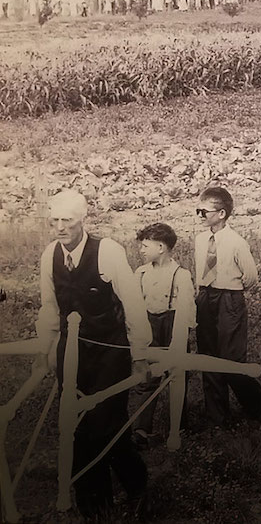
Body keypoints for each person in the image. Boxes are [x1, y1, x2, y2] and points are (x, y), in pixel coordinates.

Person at [37, 190, 150, 519]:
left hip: (109, 351)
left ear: (82, 220)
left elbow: (132, 302)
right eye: (54, 221)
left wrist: (140, 352)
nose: (60, 227)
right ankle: (94, 504)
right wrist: (47, 350)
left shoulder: (108, 252)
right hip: (71, 352)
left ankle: (138, 487)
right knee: (76, 423)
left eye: (67, 221)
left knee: (105, 424)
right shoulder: (49, 256)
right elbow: (49, 307)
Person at [193, 186, 261, 427]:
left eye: (204, 211)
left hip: (229, 299)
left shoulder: (236, 243)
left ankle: (259, 406)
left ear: (222, 213)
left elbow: (250, 276)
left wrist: (230, 292)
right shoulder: (200, 240)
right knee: (208, 355)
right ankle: (218, 416)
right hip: (205, 298)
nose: (201, 216)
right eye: (199, 211)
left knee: (230, 359)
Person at [131, 223, 196, 449]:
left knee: (177, 373)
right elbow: (135, 306)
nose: (141, 250)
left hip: (172, 324)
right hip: (149, 324)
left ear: (160, 247)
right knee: (147, 375)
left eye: (145, 246)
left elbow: (185, 311)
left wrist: (178, 342)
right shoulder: (141, 273)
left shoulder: (180, 275)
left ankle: (178, 425)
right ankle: (141, 428)